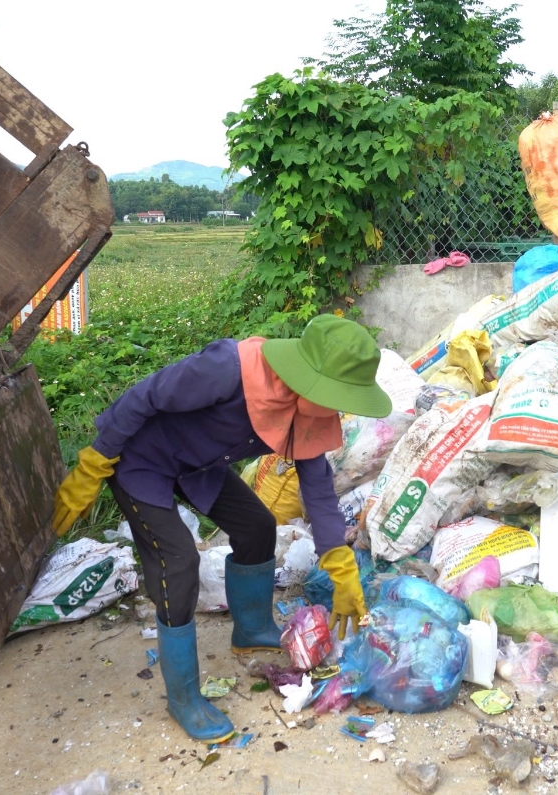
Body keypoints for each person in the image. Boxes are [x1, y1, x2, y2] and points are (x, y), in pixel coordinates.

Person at [51, 314, 390, 742]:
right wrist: (94, 462)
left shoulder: (310, 411)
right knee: (177, 562)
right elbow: (143, 397)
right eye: (338, 394)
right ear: (309, 377)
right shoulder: (228, 369)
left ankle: (249, 631)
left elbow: (319, 494)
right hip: (144, 461)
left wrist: (342, 569)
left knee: (257, 527)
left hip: (197, 466)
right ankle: (184, 698)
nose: (340, 405)